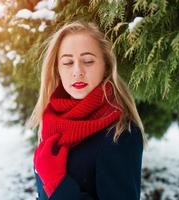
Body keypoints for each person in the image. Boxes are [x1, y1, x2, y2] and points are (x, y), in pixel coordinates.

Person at [27, 21, 148, 200]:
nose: (78, 71)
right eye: (68, 62)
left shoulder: (121, 134)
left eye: (88, 61)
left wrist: (57, 184)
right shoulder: (51, 120)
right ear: (57, 69)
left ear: (106, 65)